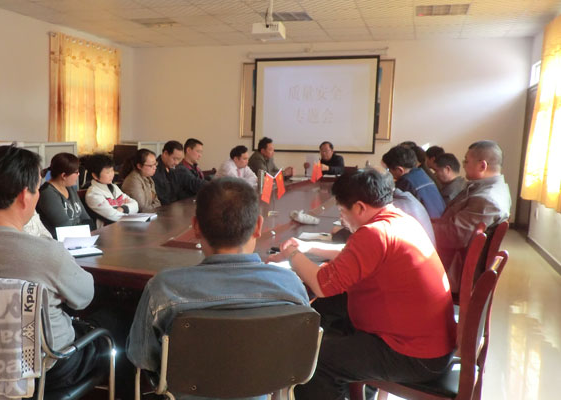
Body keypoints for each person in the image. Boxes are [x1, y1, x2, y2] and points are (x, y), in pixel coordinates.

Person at [0, 145, 128, 393]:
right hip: (51, 364)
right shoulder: (47, 252)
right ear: (24, 196)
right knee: (117, 318)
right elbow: (84, 298)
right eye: (37, 189)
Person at [268, 169, 456, 400]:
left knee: (315, 360)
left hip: (415, 356)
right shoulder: (399, 220)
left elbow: (321, 284)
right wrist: (309, 248)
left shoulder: (375, 233)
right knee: (330, 307)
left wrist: (292, 255)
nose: (342, 219)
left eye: (342, 211)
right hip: (427, 344)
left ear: (359, 207)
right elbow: (355, 255)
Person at [127, 178, 310, 399]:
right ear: (258, 226)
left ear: (195, 227)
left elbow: (141, 357)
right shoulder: (290, 285)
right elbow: (298, 356)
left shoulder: (163, 289)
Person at [433, 140, 511, 292]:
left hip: (453, 269)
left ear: (482, 166)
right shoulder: (495, 187)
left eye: (466, 161)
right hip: (453, 258)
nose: (463, 165)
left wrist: (419, 227)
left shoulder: (487, 199)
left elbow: (452, 236)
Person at [36, 152, 95, 237]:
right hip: (62, 241)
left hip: (80, 237)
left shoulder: (69, 188)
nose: (78, 175)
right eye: (76, 172)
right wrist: (85, 230)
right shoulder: (47, 193)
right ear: (64, 175)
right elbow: (64, 226)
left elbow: (86, 218)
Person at [382, 145, 445, 218]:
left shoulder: (406, 182)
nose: (388, 173)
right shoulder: (421, 173)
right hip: (438, 220)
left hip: (428, 222)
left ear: (400, 170)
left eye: (388, 169)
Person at [84, 153, 139, 228]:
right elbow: (113, 216)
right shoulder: (93, 193)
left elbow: (135, 205)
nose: (112, 175)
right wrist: (126, 208)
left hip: (123, 226)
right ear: (95, 175)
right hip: (107, 230)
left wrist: (122, 208)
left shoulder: (114, 187)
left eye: (112, 170)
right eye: (107, 172)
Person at [152, 140, 204, 205]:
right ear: (165, 153)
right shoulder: (154, 170)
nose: (176, 163)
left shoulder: (172, 169)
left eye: (179, 159)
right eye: (174, 159)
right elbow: (162, 198)